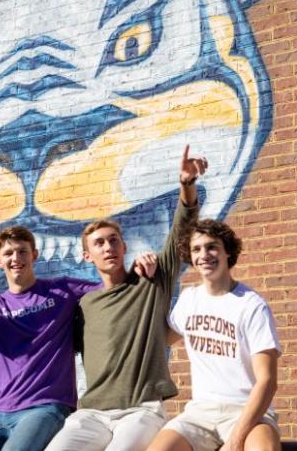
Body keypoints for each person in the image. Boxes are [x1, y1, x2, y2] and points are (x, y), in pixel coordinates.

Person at [0, 224, 156, 450]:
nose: (16, 258)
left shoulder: (62, 291)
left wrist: (138, 268)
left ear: (34, 255)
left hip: (46, 408)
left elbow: (111, 290)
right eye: (9, 253)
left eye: (23, 251)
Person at [46, 145, 208, 451]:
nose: (108, 247)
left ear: (123, 246)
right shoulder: (84, 305)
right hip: (92, 413)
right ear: (87, 255)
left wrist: (187, 185)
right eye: (99, 243)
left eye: (113, 241)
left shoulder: (150, 281)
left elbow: (180, 235)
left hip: (141, 410)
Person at [147, 219, 281, 451]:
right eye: (196, 249)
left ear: (227, 251)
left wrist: (236, 440)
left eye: (212, 246)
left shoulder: (251, 305)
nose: (204, 254)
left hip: (246, 410)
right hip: (201, 413)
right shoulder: (189, 299)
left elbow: (267, 381)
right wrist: (148, 281)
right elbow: (160, 340)